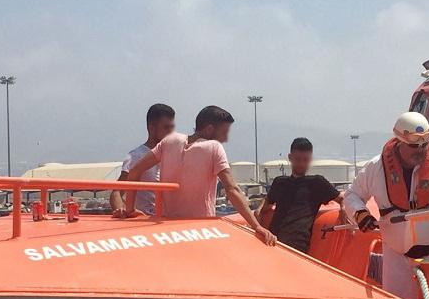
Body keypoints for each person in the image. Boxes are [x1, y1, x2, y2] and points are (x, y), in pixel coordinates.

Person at [343, 111, 429, 299]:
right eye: (414, 145)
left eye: (424, 145)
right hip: (396, 257)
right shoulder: (375, 169)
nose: (420, 150)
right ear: (399, 142)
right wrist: (360, 214)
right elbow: (352, 195)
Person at [124, 105, 276, 246]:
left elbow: (134, 171)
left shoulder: (169, 141)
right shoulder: (214, 148)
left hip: (168, 230)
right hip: (200, 230)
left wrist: (130, 210)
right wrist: (257, 226)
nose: (226, 139)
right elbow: (232, 189)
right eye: (224, 133)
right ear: (210, 129)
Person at [256, 138, 344, 253]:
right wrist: (259, 211)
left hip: (298, 248)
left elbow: (341, 198)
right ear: (290, 158)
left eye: (306, 160)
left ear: (310, 159)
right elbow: (266, 204)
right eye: (298, 159)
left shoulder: (317, 183)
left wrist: (343, 208)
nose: (302, 164)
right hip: (273, 244)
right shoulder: (279, 182)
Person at [110, 104, 175, 217]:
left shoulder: (174, 155)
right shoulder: (136, 156)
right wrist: (121, 211)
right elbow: (116, 192)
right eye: (166, 127)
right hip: (145, 222)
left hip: (169, 221)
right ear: (151, 128)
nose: (170, 132)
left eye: (171, 127)